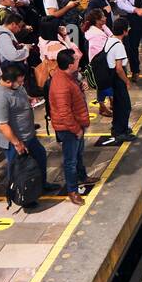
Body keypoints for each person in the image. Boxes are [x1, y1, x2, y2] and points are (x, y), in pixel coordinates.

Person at [0, 63, 55, 207]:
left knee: (40, 157)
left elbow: (22, 96)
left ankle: (42, 185)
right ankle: (24, 196)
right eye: (19, 82)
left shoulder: (17, 86)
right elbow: (3, 125)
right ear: (8, 81)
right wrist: (17, 143)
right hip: (16, 141)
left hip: (28, 135)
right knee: (20, 171)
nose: (21, 84)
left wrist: (29, 99)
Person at [48, 50, 91, 206]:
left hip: (77, 123)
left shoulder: (68, 76)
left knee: (78, 154)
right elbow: (64, 112)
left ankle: (83, 177)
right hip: (69, 129)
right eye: (77, 60)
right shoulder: (61, 84)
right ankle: (72, 190)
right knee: (70, 160)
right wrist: (76, 130)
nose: (79, 61)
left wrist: (80, 85)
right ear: (70, 64)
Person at [96, 17, 134, 146]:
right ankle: (121, 131)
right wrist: (127, 81)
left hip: (110, 77)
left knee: (118, 104)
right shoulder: (119, 46)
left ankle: (117, 127)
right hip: (117, 79)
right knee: (125, 106)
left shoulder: (110, 40)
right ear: (124, 31)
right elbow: (119, 69)